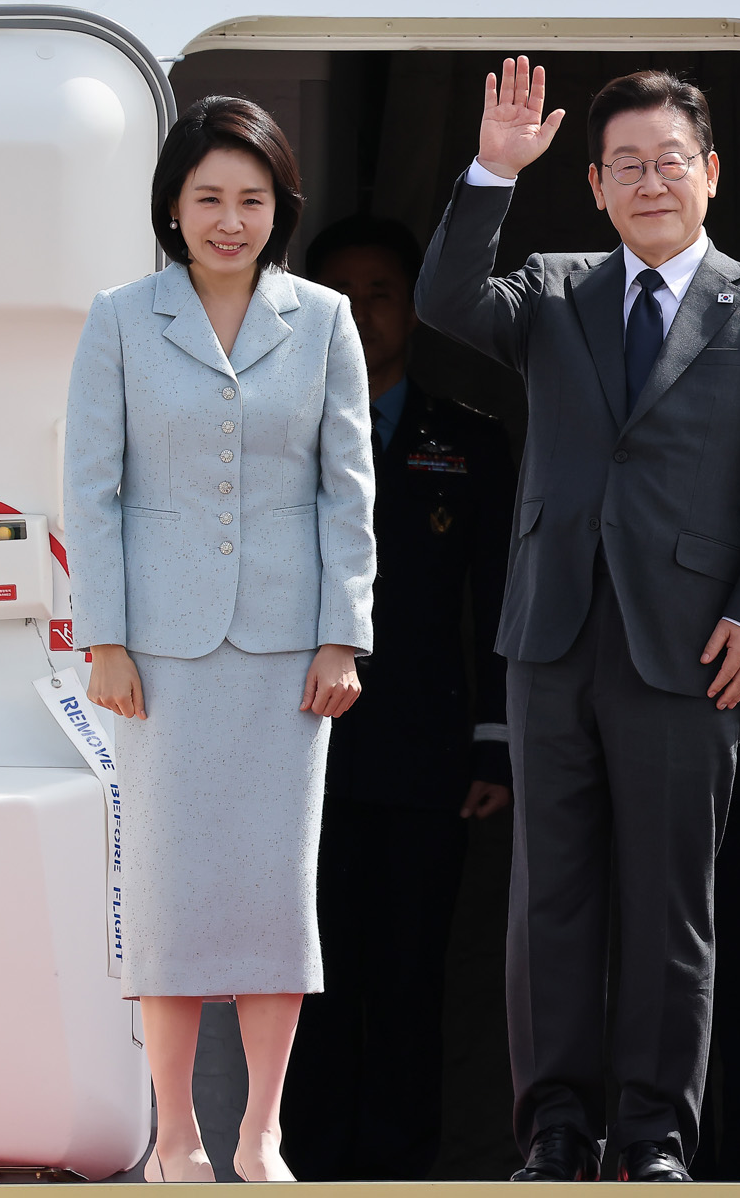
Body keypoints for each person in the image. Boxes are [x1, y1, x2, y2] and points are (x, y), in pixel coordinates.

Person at [414, 59, 740, 1182]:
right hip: (550, 637)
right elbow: (444, 303)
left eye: (668, 162)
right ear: (594, 186)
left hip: (689, 651)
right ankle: (554, 1130)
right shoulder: (552, 289)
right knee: (547, 902)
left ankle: (651, 1136)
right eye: (624, 166)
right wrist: (491, 176)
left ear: (709, 174)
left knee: (667, 908)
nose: (649, 182)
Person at [64, 96, 375, 1184]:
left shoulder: (325, 319)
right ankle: (176, 1135)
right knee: (167, 885)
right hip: (157, 650)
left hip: (289, 652)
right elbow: (91, 490)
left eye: (250, 199)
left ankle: (261, 1132)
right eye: (208, 198)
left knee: (273, 888)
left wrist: (343, 635)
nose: (228, 219)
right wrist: (101, 636)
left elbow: (348, 494)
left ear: (278, 206)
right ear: (173, 207)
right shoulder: (118, 317)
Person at [281, 215, 518, 1179]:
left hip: (427, 757)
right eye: (343, 293)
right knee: (307, 977)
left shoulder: (470, 440)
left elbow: (503, 595)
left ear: (415, 308)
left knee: (411, 977)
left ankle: (400, 1169)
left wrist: (494, 740)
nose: (364, 313)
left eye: (383, 292)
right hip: (294, 753)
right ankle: (309, 1162)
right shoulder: (269, 430)